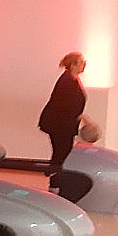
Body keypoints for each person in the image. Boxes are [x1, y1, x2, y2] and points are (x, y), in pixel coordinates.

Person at [39, 52, 88, 184]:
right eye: (81, 62)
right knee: (62, 155)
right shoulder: (67, 81)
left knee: (62, 154)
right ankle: (56, 184)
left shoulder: (73, 79)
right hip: (59, 125)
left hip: (63, 125)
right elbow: (65, 106)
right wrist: (82, 117)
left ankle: (56, 183)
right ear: (72, 65)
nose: (84, 64)